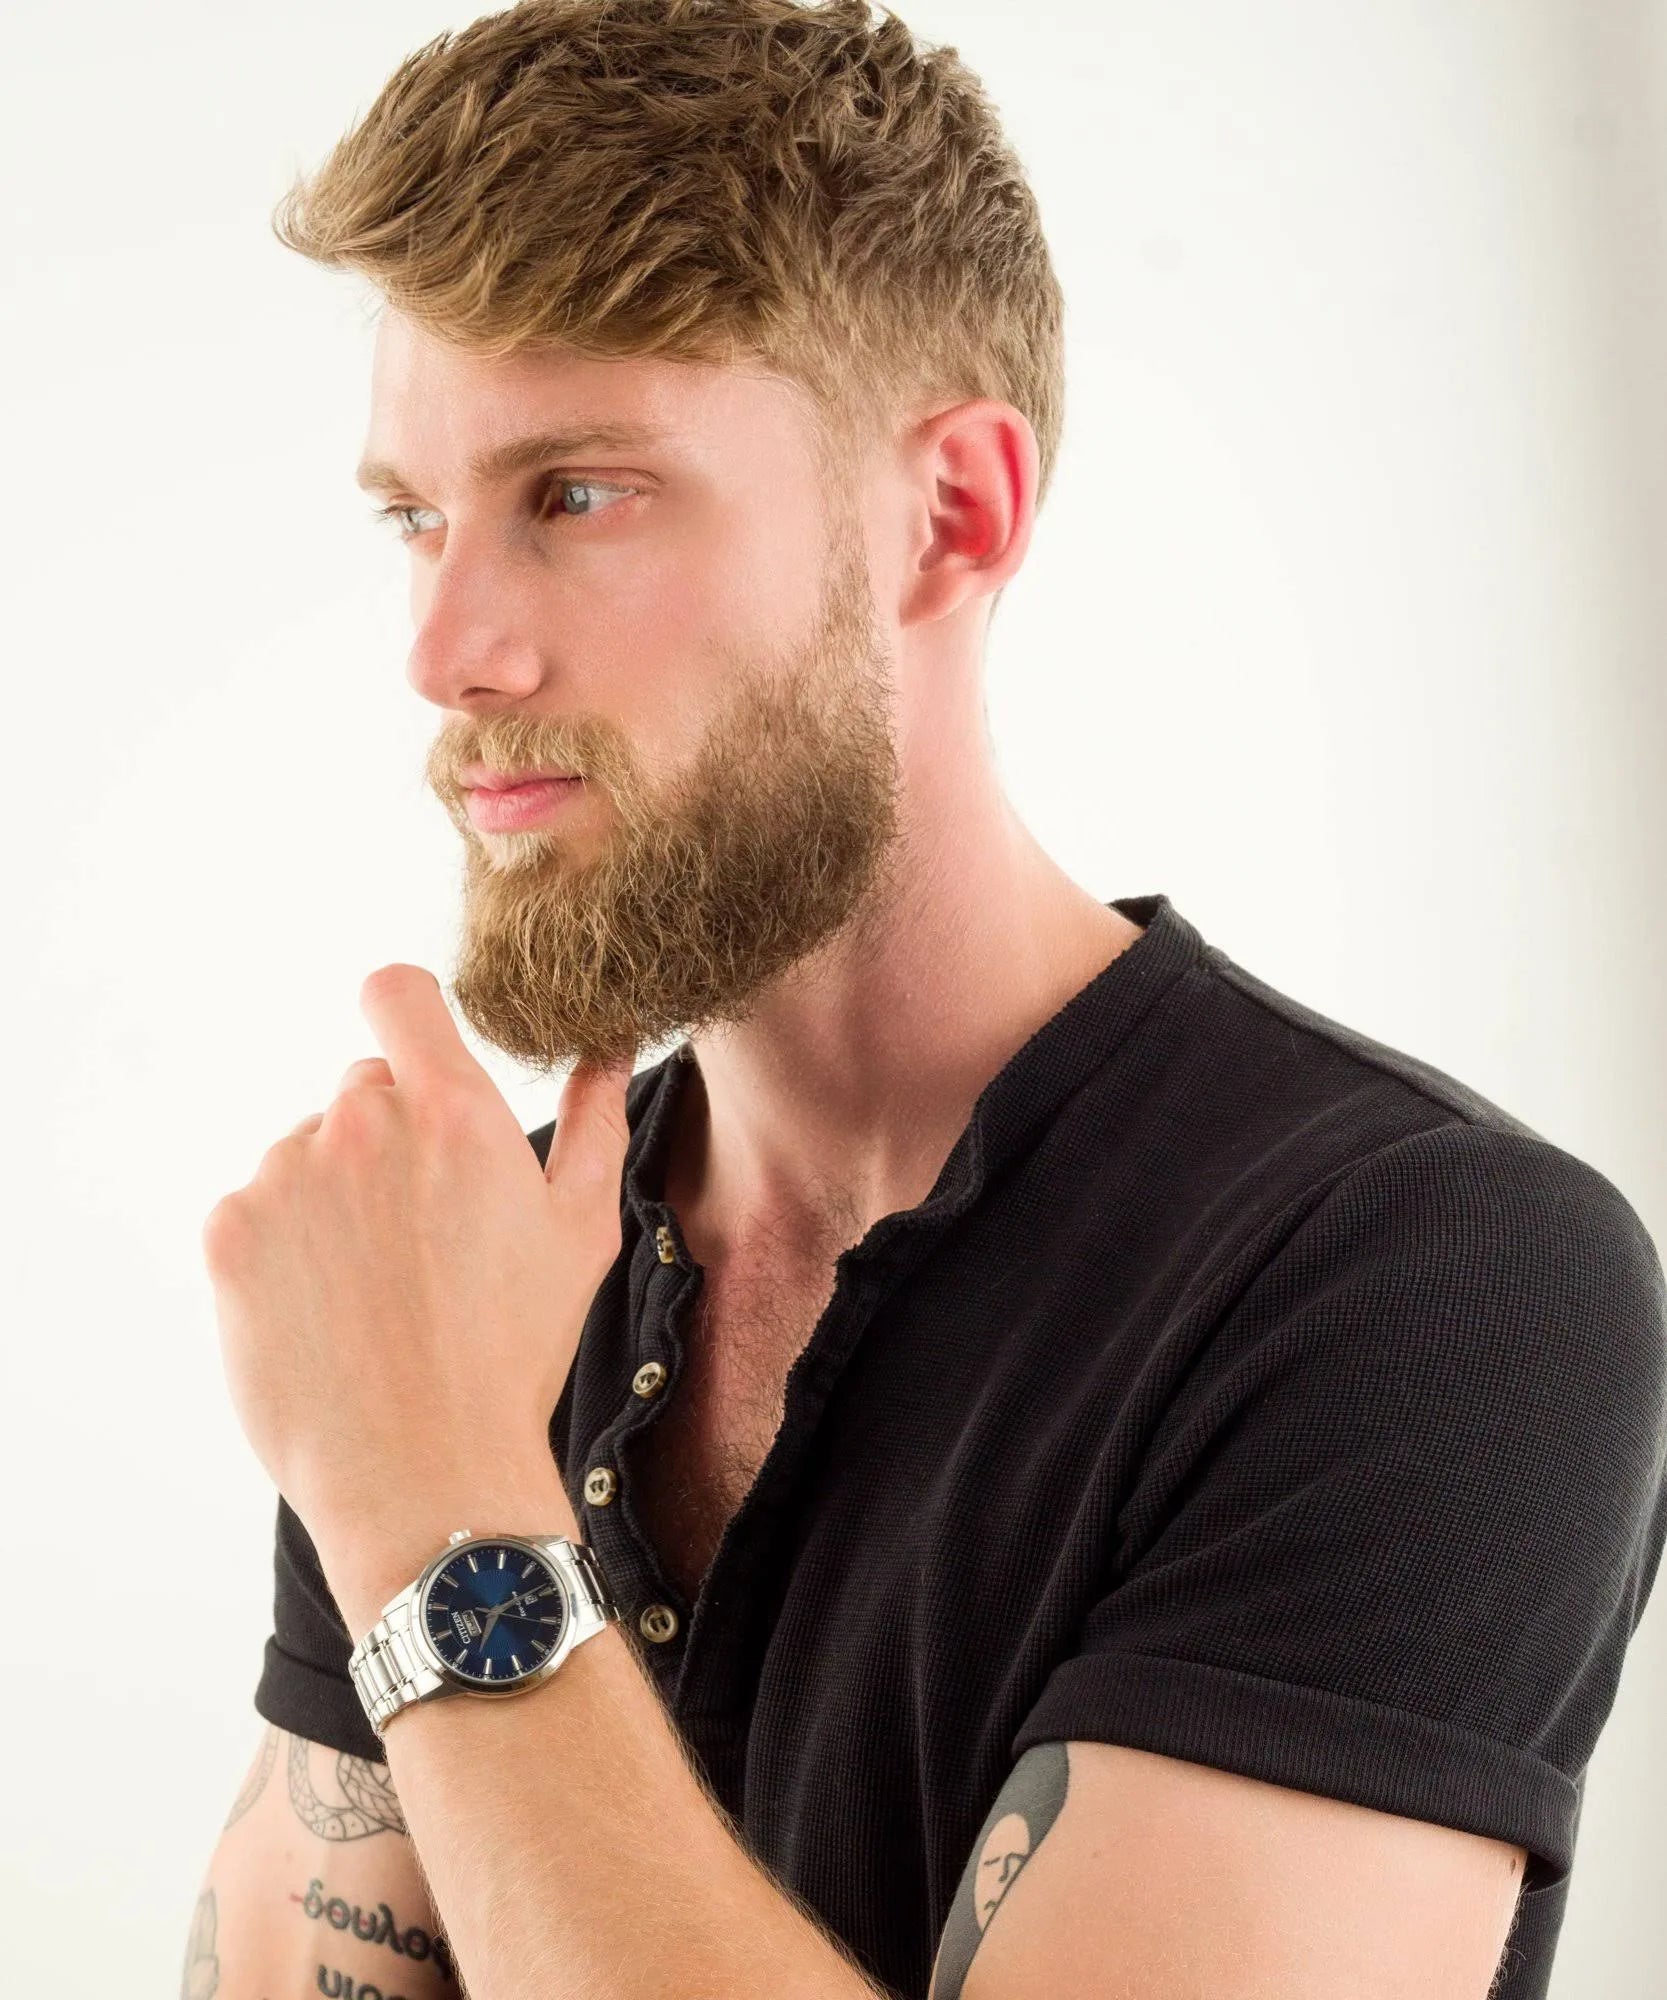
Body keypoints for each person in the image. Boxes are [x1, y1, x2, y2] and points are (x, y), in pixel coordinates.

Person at [189, 4, 1667, 1998]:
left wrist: (443, 1512)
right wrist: (420, 1454)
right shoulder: (459, 1279)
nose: (445, 647)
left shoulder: (1421, 1280)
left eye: (579, 493)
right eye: (414, 517)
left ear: (953, 513)